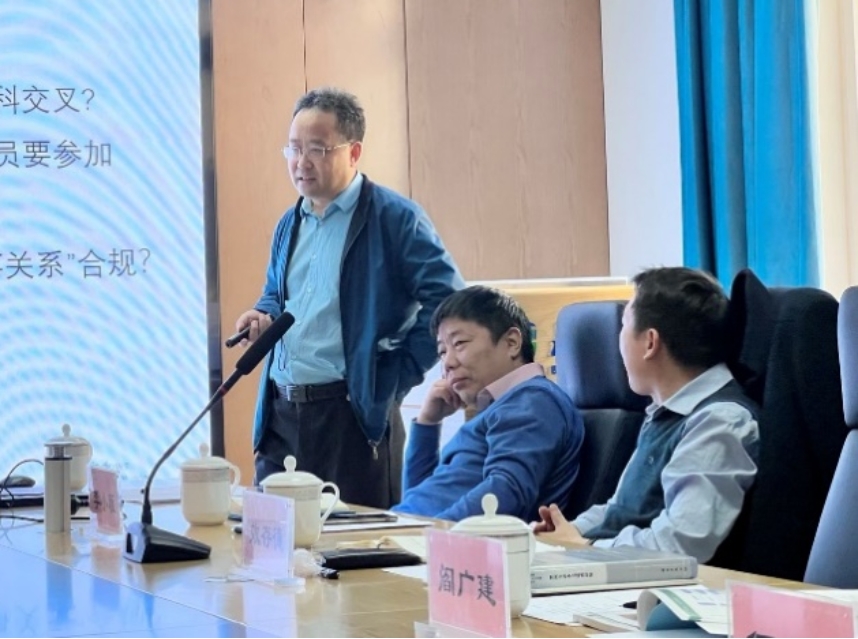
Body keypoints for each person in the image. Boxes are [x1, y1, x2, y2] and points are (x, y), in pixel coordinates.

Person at [235, 87, 463, 509]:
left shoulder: (395, 218)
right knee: (274, 542)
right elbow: (277, 294)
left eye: (317, 149)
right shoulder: (291, 221)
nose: (301, 162)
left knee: (356, 542)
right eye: (293, 148)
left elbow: (448, 300)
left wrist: (394, 375)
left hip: (351, 416)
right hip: (281, 414)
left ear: (353, 152)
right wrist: (262, 314)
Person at [533, 267, 760, 563]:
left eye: (624, 325)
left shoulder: (720, 421)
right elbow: (620, 508)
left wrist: (585, 547)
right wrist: (568, 532)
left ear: (650, 342)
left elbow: (678, 545)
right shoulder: (665, 412)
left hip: (662, 586)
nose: (618, 340)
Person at [392, 286, 584, 522]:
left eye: (459, 343)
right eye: (442, 351)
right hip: (412, 534)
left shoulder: (534, 400)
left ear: (512, 342)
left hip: (441, 540)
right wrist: (428, 423)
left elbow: (504, 494)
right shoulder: (505, 406)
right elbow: (421, 497)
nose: (448, 363)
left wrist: (426, 533)